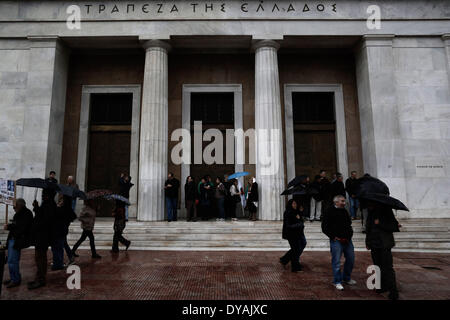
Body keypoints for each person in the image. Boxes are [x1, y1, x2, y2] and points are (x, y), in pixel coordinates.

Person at [366, 202, 400, 300]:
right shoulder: (370, 212)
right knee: (377, 266)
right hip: (374, 244)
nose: (368, 205)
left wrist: (380, 223)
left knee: (387, 268)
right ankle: (381, 286)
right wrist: (368, 242)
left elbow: (394, 226)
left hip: (384, 244)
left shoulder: (386, 211)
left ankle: (393, 291)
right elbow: (368, 228)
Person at [321, 195, 356, 291]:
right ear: (336, 202)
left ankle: (346, 278)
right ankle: (337, 281)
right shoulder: (329, 211)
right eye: (342, 201)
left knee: (351, 259)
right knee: (336, 262)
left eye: (344, 201)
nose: (344, 203)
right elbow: (324, 227)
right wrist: (333, 236)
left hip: (348, 240)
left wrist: (350, 234)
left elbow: (349, 224)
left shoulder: (344, 211)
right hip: (336, 241)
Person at [28, 189, 57, 290]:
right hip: (41, 236)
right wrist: (36, 207)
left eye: (45, 194)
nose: (43, 196)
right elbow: (41, 215)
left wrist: (36, 208)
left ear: (49, 195)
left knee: (40, 257)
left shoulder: (50, 205)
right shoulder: (47, 204)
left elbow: (44, 220)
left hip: (43, 236)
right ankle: (39, 277)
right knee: (39, 257)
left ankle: (41, 279)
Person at [3, 198, 33, 288]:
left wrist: (9, 227)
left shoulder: (27, 214)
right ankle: (14, 277)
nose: (14, 207)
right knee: (11, 261)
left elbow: (21, 228)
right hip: (13, 239)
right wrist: (10, 226)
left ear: (20, 205)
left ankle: (15, 280)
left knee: (13, 261)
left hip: (17, 240)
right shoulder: (19, 213)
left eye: (15, 206)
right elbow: (16, 225)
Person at [280, 199, 307, 273]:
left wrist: (301, 213)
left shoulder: (297, 211)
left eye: (296, 203)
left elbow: (300, 220)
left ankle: (284, 259)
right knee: (295, 249)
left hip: (299, 233)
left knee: (298, 248)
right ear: (290, 204)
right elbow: (288, 225)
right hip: (291, 234)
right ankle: (295, 267)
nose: (295, 205)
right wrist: (298, 224)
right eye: (294, 204)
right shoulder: (288, 213)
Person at [58, 195, 77, 265]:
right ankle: (70, 258)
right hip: (64, 229)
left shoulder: (63, 209)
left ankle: (60, 261)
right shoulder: (68, 208)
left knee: (61, 245)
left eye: (63, 199)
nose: (61, 201)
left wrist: (59, 207)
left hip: (61, 229)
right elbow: (73, 217)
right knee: (64, 244)